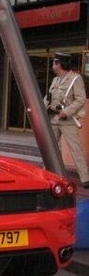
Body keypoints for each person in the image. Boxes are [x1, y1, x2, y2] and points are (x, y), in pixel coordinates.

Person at [45, 52, 89, 189]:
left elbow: (81, 99)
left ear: (59, 64)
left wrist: (67, 112)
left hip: (68, 120)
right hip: (54, 119)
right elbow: (49, 97)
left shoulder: (76, 79)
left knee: (76, 150)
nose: (53, 65)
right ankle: (46, 172)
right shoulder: (55, 80)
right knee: (49, 148)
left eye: (54, 62)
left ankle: (85, 178)